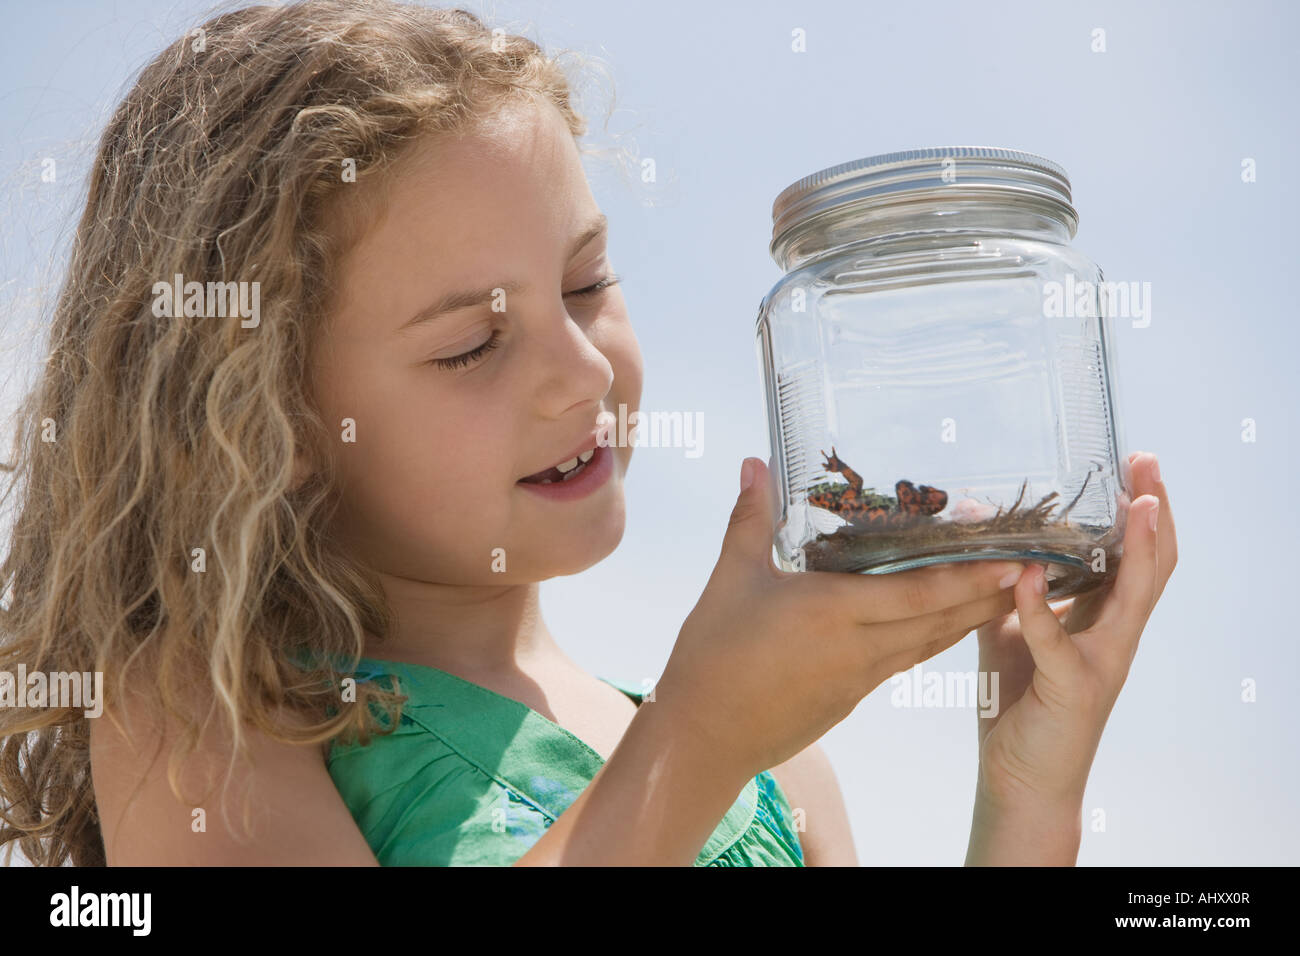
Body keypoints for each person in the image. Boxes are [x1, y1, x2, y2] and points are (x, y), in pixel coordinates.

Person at [0, 0, 1175, 867]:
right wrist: (696, 737)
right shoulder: (198, 713)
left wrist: (1028, 784)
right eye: (471, 344)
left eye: (585, 283)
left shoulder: (780, 770)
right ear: (271, 418)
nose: (581, 370)